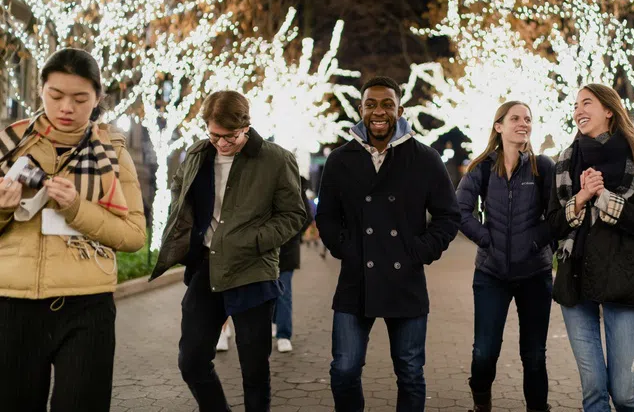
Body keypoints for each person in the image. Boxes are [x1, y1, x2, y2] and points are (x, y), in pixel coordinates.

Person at [0, 48, 146, 411]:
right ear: (41, 92)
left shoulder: (112, 153)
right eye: (56, 95)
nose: (67, 107)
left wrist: (77, 208)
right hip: (12, 306)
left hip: (86, 307)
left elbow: (133, 235)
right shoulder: (9, 146)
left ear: (97, 99)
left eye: (80, 99)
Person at [150, 90, 306, 412]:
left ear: (246, 126)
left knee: (254, 371)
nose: (222, 143)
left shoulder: (276, 159)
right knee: (191, 361)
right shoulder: (196, 154)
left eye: (230, 136)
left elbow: (294, 215)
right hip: (205, 269)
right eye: (214, 135)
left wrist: (255, 241)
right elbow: (180, 192)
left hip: (253, 271)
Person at [315, 76, 461, 412]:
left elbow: (448, 216)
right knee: (344, 369)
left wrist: (417, 252)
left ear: (400, 110)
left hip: (405, 280)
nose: (378, 112)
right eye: (371, 104)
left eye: (387, 105)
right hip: (356, 279)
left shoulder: (424, 158)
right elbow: (327, 217)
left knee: (410, 372)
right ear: (360, 109)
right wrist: (347, 250)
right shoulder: (340, 159)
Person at [547, 84, 634, 412]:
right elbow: (552, 225)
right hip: (576, 281)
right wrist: (581, 198)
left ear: (609, 110)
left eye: (587, 103)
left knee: (624, 393)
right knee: (594, 390)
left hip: (624, 280)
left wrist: (604, 198)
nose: (578, 110)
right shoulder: (564, 163)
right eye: (575, 105)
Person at [456, 101, 555, 412]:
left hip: (535, 275)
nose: (523, 123)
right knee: (484, 352)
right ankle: (481, 404)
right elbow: (459, 211)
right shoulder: (482, 168)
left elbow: (556, 217)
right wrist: (487, 240)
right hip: (491, 274)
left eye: (527, 119)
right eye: (515, 118)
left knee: (534, 355)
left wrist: (534, 242)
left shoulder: (543, 167)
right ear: (499, 126)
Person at [272, 176, 314, 353]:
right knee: (268, 291)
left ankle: (283, 334)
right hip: (263, 250)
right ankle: (276, 323)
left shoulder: (295, 185)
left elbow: (306, 217)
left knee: (283, 292)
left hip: (286, 251)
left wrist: (290, 236)